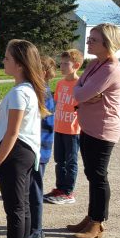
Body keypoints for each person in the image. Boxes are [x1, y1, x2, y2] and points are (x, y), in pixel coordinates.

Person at [0, 40, 46, 238]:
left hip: (16, 153)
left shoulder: (20, 93)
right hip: (24, 153)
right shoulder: (27, 89)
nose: (4, 61)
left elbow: (13, 131)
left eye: (7, 58)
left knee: (15, 208)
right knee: (23, 206)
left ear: (19, 64)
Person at [68, 23, 120, 238]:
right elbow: (78, 88)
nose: (89, 42)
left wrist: (87, 94)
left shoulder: (111, 68)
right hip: (88, 127)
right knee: (91, 174)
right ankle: (91, 217)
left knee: (98, 176)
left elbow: (80, 95)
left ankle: (98, 223)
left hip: (103, 129)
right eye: (89, 38)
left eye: (93, 40)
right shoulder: (94, 64)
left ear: (107, 43)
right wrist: (87, 93)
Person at [44, 49, 83, 205]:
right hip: (59, 127)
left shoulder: (80, 84)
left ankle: (68, 192)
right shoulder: (60, 83)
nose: (62, 66)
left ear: (76, 65)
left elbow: (82, 106)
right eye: (61, 63)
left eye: (66, 63)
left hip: (73, 130)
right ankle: (60, 189)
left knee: (70, 161)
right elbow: (56, 104)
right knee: (59, 161)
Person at [26, 56, 56, 238]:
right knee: (29, 191)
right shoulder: (39, 91)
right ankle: (31, 229)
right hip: (36, 149)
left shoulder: (42, 93)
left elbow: (40, 126)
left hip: (39, 150)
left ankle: (36, 232)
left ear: (43, 73)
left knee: (34, 191)